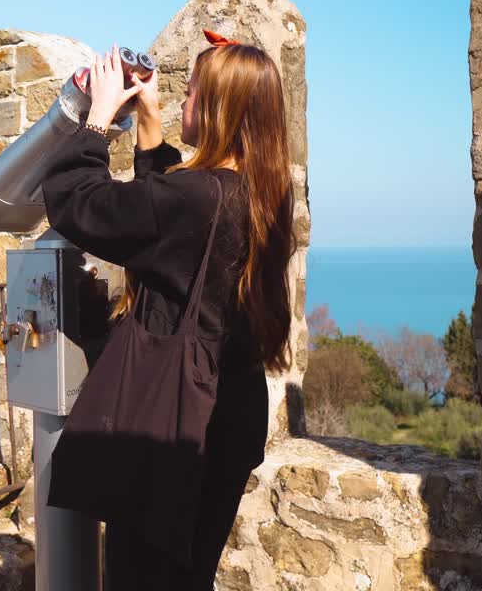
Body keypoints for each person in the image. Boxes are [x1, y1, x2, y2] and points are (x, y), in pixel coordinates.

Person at [40, 31, 298, 589]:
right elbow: (166, 227)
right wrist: (152, 120)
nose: (184, 101)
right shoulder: (260, 192)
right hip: (226, 418)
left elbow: (79, 203)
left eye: (193, 93)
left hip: (173, 426)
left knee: (142, 578)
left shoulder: (200, 199)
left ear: (220, 109)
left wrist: (99, 119)